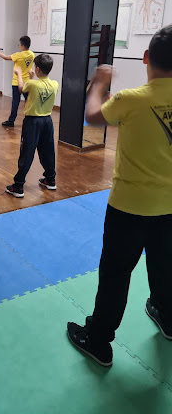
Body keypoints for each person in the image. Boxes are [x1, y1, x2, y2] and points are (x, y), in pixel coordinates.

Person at [67, 24, 172, 367]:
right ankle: (168, 317)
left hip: (129, 208)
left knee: (115, 274)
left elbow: (92, 117)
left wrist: (99, 83)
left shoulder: (131, 99)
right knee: (166, 267)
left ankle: (98, 341)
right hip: (169, 208)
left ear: (146, 58)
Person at [5, 54, 58, 198]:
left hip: (32, 122)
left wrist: (19, 74)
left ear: (38, 69)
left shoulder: (33, 84)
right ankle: (50, 179)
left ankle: (18, 186)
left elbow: (22, 89)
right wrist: (32, 78)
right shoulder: (55, 84)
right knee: (47, 151)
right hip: (47, 121)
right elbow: (35, 93)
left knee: (27, 153)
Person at [0, 36, 35, 127]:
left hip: (17, 82)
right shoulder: (32, 55)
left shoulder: (18, 55)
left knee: (15, 102)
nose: (18, 46)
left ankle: (11, 121)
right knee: (29, 101)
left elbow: (5, 57)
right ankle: (31, 119)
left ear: (22, 46)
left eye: (19, 45)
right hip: (27, 82)